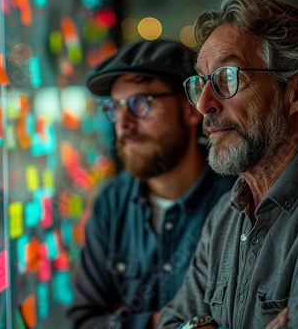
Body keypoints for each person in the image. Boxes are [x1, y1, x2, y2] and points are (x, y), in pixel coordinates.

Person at [155, 0, 298, 328]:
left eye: (227, 77)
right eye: (201, 83)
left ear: (297, 92)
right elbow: (171, 322)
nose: (203, 105)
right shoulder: (223, 218)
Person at [66, 40, 237, 329]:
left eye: (140, 103)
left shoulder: (238, 199)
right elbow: (83, 321)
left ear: (191, 109)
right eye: (115, 107)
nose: (123, 124)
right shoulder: (111, 202)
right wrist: (167, 324)